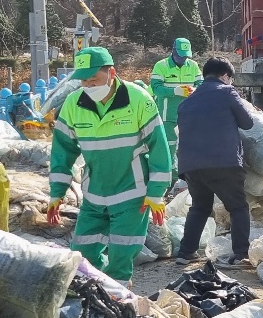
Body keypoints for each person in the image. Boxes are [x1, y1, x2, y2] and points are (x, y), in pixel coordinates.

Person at [48, 46, 172, 283]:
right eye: (83, 81)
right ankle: (96, 290)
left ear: (112, 73)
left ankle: (120, 302)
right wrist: (57, 193)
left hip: (132, 194)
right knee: (82, 254)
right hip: (94, 193)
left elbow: (159, 148)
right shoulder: (73, 105)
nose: (89, 86)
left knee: (121, 255)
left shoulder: (139, 100)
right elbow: (62, 152)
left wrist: (156, 193)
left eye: (94, 79)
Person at [172, 57, 255, 268]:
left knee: (199, 207)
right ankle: (240, 255)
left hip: (191, 165)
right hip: (223, 163)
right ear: (225, 76)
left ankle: (185, 252)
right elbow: (247, 122)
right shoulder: (226, 92)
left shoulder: (186, 102)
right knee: (237, 207)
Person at [150, 38, 201, 151]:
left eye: (186, 56)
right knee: (169, 146)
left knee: (189, 146)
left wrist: (195, 90)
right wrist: (174, 91)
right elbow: (156, 88)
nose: (183, 59)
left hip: (189, 115)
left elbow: (202, 85)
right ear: (173, 50)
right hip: (168, 115)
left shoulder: (193, 66)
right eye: (181, 55)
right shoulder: (161, 66)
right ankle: (172, 169)